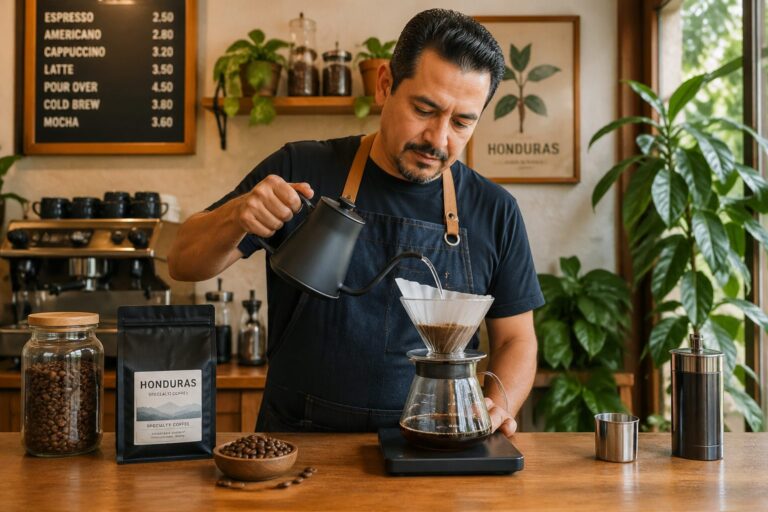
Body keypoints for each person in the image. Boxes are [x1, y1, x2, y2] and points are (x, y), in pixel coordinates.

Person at [168, 9, 544, 436]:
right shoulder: (301, 167)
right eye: (424, 109)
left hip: (435, 446)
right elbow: (183, 262)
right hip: (298, 442)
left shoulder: (495, 210)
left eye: (462, 122)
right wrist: (237, 215)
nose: (439, 140)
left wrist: (498, 406)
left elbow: (516, 339)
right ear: (385, 85)